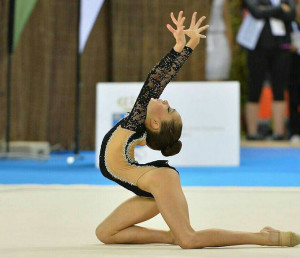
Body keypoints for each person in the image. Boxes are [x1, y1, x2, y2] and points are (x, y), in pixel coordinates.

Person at [95, 11, 300, 249]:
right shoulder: (138, 129)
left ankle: (265, 237)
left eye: (168, 109)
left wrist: (183, 48)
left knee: (189, 239)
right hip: (148, 188)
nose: (163, 101)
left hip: (159, 181)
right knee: (106, 233)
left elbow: (157, 79)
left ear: (155, 123)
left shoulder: (135, 122)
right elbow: (158, 82)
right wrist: (185, 45)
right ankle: (170, 236)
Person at [244, 0, 296, 140]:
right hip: (257, 48)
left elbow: (291, 15)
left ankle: (279, 132)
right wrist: (280, 9)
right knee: (254, 89)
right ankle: (252, 132)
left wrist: (267, 10)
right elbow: (257, 13)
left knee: (280, 89)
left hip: (281, 49)